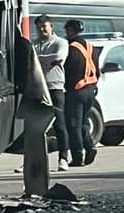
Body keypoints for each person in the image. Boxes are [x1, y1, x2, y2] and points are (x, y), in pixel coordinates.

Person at [33, 14, 70, 170]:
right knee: (36, 127)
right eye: (39, 27)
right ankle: (33, 159)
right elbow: (29, 60)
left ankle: (63, 158)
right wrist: (41, 59)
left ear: (51, 27)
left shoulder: (61, 42)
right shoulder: (34, 44)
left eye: (45, 26)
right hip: (38, 88)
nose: (42, 30)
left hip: (55, 87)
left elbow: (58, 58)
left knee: (60, 124)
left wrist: (38, 59)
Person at [63, 18, 99, 167]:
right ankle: (90, 147)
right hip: (91, 89)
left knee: (73, 125)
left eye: (67, 30)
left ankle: (78, 157)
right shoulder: (91, 47)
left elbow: (67, 70)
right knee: (83, 122)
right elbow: (97, 69)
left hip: (76, 90)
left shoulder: (71, 48)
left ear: (71, 31)